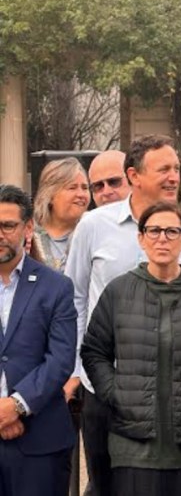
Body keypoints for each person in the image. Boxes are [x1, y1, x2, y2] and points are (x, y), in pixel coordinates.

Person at [65, 134, 181, 496]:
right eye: (164, 169)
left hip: (177, 404)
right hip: (104, 394)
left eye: (177, 169)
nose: (174, 177)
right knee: (106, 488)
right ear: (134, 175)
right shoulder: (93, 227)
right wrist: (78, 371)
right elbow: (74, 298)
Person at [81, 202, 181, 496]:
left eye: (171, 231)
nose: (162, 238)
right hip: (135, 448)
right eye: (153, 231)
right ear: (141, 238)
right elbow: (94, 351)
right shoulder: (119, 291)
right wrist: (115, 393)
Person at [0, 185, 77, 496]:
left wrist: (16, 406)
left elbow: (60, 360)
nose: (0, 234)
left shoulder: (56, 287)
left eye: (8, 225)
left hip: (39, 443)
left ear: (28, 227)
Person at [31, 157, 90, 273]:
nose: (81, 194)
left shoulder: (92, 231)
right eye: (72, 188)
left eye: (85, 187)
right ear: (50, 195)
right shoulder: (29, 235)